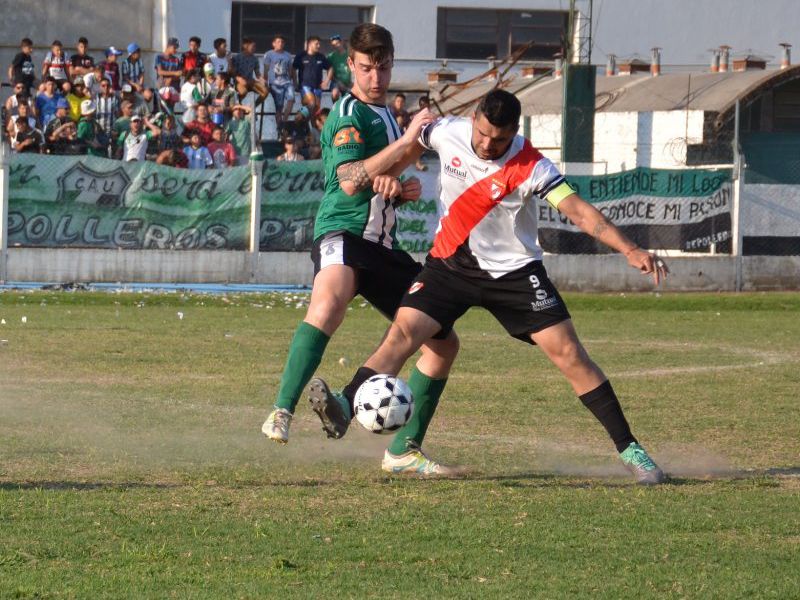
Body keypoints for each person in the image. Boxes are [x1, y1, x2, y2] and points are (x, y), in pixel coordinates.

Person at [309, 90, 671, 483]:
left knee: (569, 353)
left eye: (498, 140)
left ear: (514, 132)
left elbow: (577, 210)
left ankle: (631, 450)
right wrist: (392, 177)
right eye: (482, 133)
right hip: (448, 265)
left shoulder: (532, 164)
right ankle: (345, 405)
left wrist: (630, 249)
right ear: (474, 118)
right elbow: (411, 143)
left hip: (514, 273)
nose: (486, 144)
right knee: (403, 332)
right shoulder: (447, 131)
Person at [260, 23, 460, 471]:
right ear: (350, 65)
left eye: (383, 68)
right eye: (367, 68)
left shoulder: (387, 114)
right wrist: (406, 144)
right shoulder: (347, 112)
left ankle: (402, 452)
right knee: (329, 304)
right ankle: (282, 410)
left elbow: (384, 167)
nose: (376, 77)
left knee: (442, 343)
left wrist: (400, 180)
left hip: (383, 246)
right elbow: (351, 182)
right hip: (343, 232)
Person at [263, 34, 294, 128]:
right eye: (278, 42)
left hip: (286, 82)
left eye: (282, 42)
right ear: (273, 44)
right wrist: (265, 82)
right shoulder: (269, 54)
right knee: (279, 107)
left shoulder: (288, 55)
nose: (280, 44)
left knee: (291, 98)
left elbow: (291, 70)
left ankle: (284, 122)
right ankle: (280, 128)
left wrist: (293, 81)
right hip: (275, 84)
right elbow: (266, 70)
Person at [293, 35, 331, 111]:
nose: (319, 46)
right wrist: (295, 82)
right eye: (316, 44)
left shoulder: (321, 56)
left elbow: (330, 68)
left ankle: (302, 120)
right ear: (310, 44)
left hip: (317, 87)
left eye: (319, 44)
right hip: (305, 86)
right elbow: (293, 69)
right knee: (311, 103)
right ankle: (300, 116)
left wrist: (327, 81)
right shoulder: (301, 56)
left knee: (316, 109)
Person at [233, 37, 267, 104]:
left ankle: (253, 107)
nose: (254, 48)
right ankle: (238, 105)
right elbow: (233, 73)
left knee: (265, 91)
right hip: (239, 82)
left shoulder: (255, 59)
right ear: (245, 46)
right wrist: (238, 79)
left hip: (250, 81)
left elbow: (258, 74)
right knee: (243, 92)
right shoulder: (237, 58)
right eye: (253, 46)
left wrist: (262, 80)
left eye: (255, 47)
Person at [95, 77, 120, 145]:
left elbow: (117, 115)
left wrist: (116, 129)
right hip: (99, 131)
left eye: (108, 86)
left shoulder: (115, 99)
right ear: (100, 87)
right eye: (103, 86)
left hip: (111, 131)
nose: (106, 88)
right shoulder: (95, 99)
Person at [327, 34, 351, 102]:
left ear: (342, 42)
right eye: (334, 45)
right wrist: (338, 82)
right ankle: (336, 108)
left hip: (348, 83)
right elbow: (329, 73)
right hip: (336, 82)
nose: (336, 46)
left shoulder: (349, 55)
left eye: (337, 43)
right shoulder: (331, 56)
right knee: (335, 93)